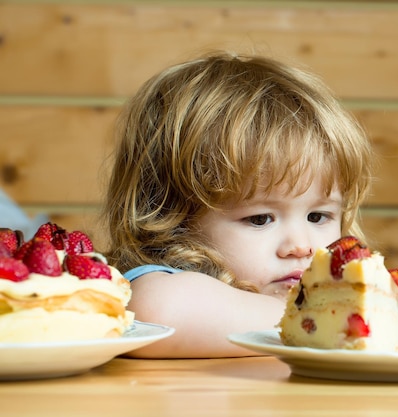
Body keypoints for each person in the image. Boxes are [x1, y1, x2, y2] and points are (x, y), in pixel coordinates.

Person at [102, 50, 376, 358]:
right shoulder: (158, 285)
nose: (300, 246)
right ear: (174, 216)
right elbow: (157, 312)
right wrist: (336, 320)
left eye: (317, 216)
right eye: (260, 219)